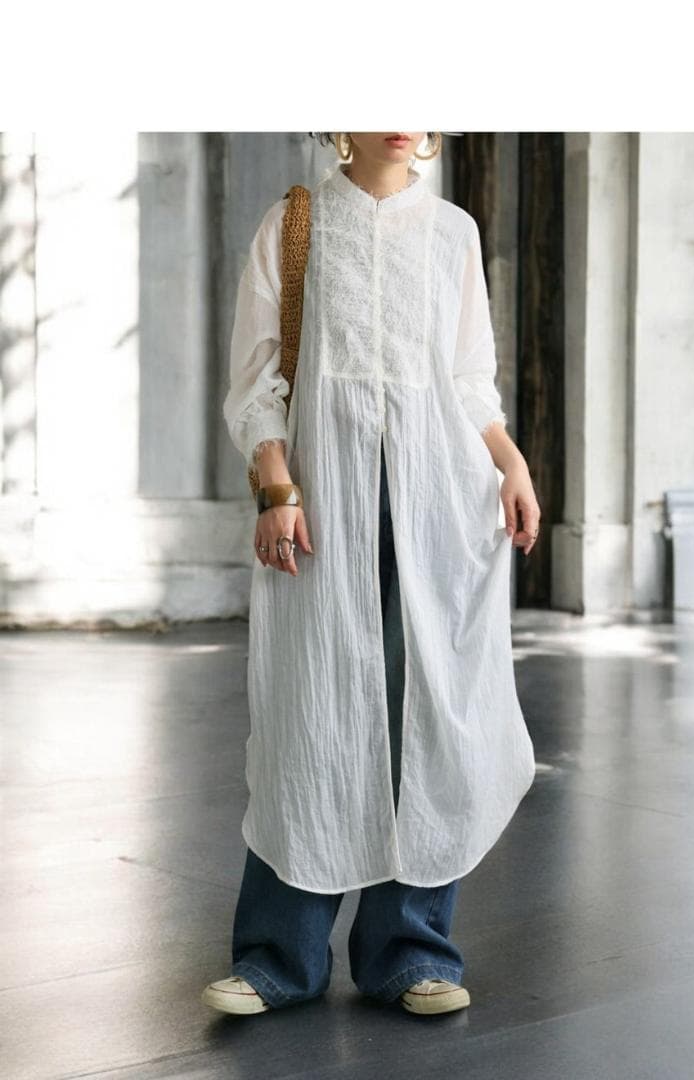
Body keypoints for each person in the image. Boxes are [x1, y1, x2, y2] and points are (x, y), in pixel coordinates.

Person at [202, 132, 541, 1017]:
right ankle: (280, 958)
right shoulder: (293, 226)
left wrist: (510, 463)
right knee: (308, 714)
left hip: (437, 509)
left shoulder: (453, 231)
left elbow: (469, 379)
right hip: (324, 510)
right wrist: (276, 486)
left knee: (422, 714)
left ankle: (411, 952)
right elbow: (256, 379)